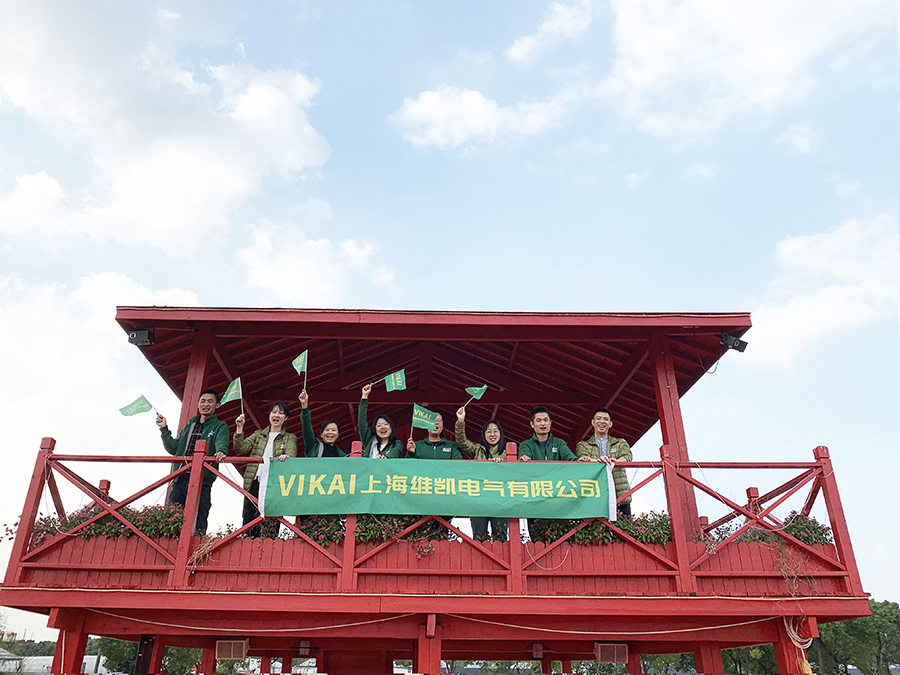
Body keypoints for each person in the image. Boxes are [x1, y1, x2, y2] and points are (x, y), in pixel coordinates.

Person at [156, 389, 229, 535]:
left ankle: (198, 543)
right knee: (172, 517)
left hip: (202, 479)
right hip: (180, 477)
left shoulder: (220, 426)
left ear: (217, 405)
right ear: (198, 404)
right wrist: (164, 429)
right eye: (203, 401)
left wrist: (221, 451)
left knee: (199, 516)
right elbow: (174, 448)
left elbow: (221, 442)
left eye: (210, 401)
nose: (206, 404)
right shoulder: (190, 425)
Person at [233, 401, 298, 538]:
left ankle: (270, 545)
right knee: (249, 516)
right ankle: (248, 544)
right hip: (254, 480)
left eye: (280, 413)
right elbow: (241, 448)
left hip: (274, 484)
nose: (276, 415)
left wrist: (287, 456)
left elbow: (291, 453)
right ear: (269, 415)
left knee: (272, 518)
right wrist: (239, 428)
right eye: (274, 412)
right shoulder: (258, 435)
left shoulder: (289, 438)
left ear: (286, 418)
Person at [455, 406, 508, 542]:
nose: (492, 434)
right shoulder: (477, 450)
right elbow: (462, 442)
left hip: (500, 501)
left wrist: (502, 463)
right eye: (488, 431)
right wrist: (460, 422)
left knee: (501, 538)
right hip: (479, 499)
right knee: (479, 537)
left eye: (495, 431)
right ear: (483, 435)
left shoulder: (507, 452)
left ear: (501, 434)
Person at [575, 408, 633, 517]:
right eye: (598, 418)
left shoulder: (620, 442)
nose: (602, 421)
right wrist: (600, 461)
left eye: (606, 419)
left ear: (610, 424)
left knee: (624, 525)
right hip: (594, 494)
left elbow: (627, 456)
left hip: (619, 493)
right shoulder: (583, 445)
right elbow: (583, 458)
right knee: (594, 527)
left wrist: (616, 461)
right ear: (593, 422)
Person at [518, 406, 591, 463]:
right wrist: (524, 459)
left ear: (550, 423)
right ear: (532, 424)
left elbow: (571, 458)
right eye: (539, 420)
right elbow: (523, 460)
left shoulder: (559, 443)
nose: (543, 423)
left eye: (545, 420)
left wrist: (580, 460)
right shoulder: (526, 445)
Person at [358, 383, 403, 458]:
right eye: (379, 425)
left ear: (391, 427)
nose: (382, 427)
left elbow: (395, 453)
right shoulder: (370, 441)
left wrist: (386, 457)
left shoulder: (397, 443)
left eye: (386, 424)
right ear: (375, 429)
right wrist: (364, 397)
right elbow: (361, 423)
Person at [298, 389, 346, 457]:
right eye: (327, 430)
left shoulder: (342, 455)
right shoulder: (314, 446)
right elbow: (307, 429)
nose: (330, 432)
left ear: (338, 435)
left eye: (334, 430)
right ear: (321, 434)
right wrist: (304, 407)